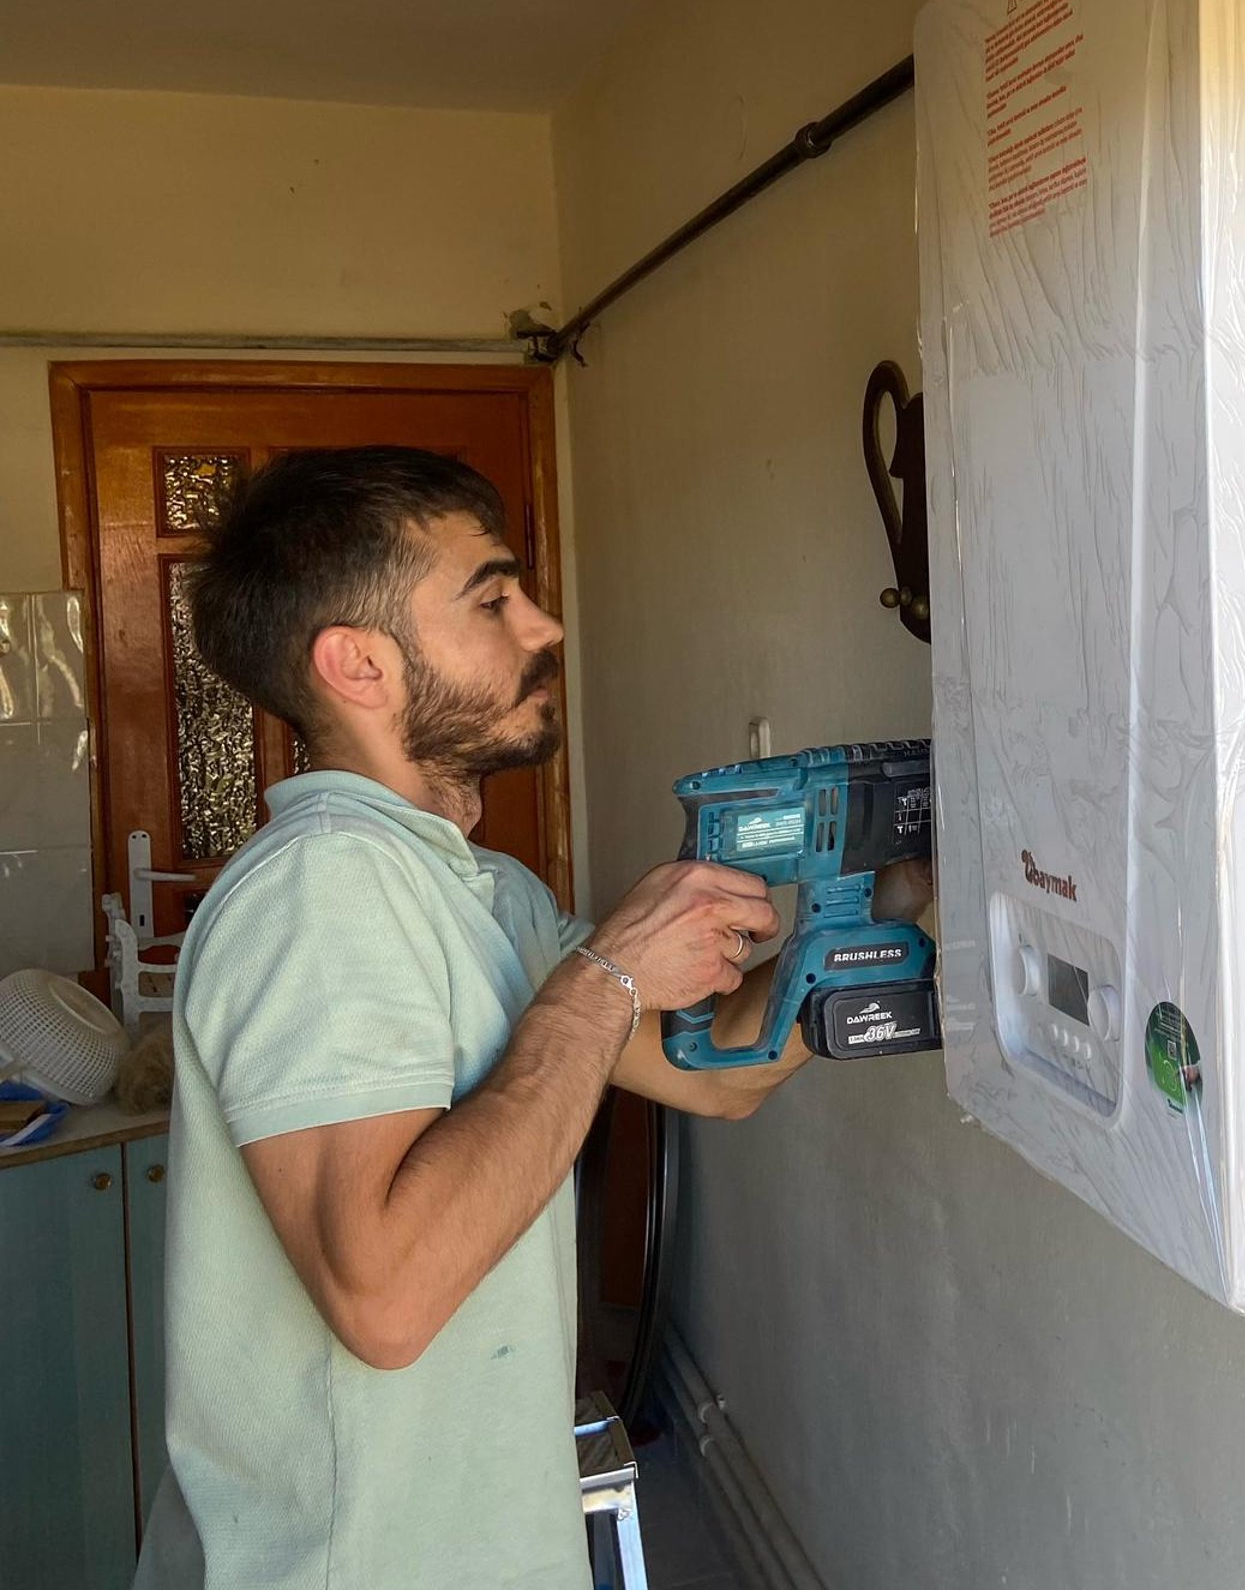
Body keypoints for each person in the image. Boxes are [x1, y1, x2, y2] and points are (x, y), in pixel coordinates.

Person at [133, 445, 927, 1590]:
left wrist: (886, 905)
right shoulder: (322, 888)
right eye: (492, 599)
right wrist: (605, 976)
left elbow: (718, 1073)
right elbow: (387, 1299)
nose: (545, 627)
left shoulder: (483, 892)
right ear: (359, 664)